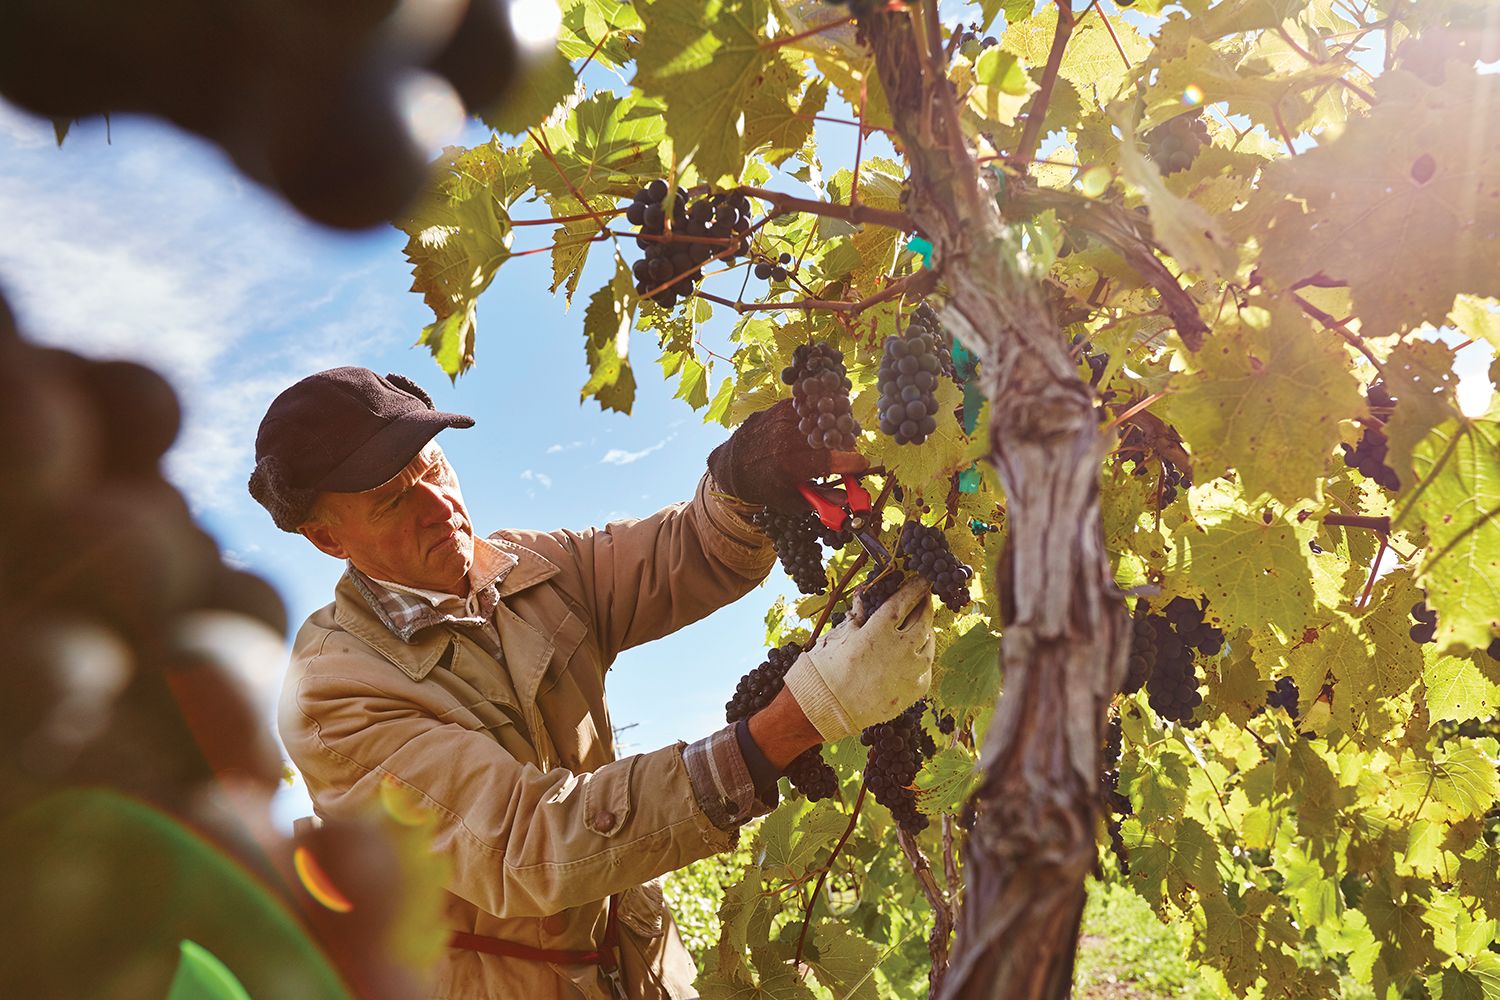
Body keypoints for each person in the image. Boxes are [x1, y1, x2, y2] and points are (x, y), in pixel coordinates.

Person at [250, 367, 935, 999]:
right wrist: (790, 726)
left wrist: (739, 486)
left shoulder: (533, 568)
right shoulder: (332, 696)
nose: (439, 504)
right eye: (394, 498)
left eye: (434, 467)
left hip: (644, 971)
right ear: (327, 539)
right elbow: (527, 847)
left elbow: (683, 552)